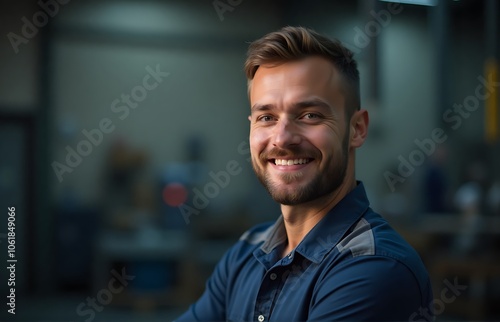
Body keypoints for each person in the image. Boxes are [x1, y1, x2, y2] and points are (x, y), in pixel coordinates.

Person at [175, 26, 434, 321]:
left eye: (310, 115)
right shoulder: (246, 252)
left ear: (357, 129)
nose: (282, 138)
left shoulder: (374, 268)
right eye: (266, 117)